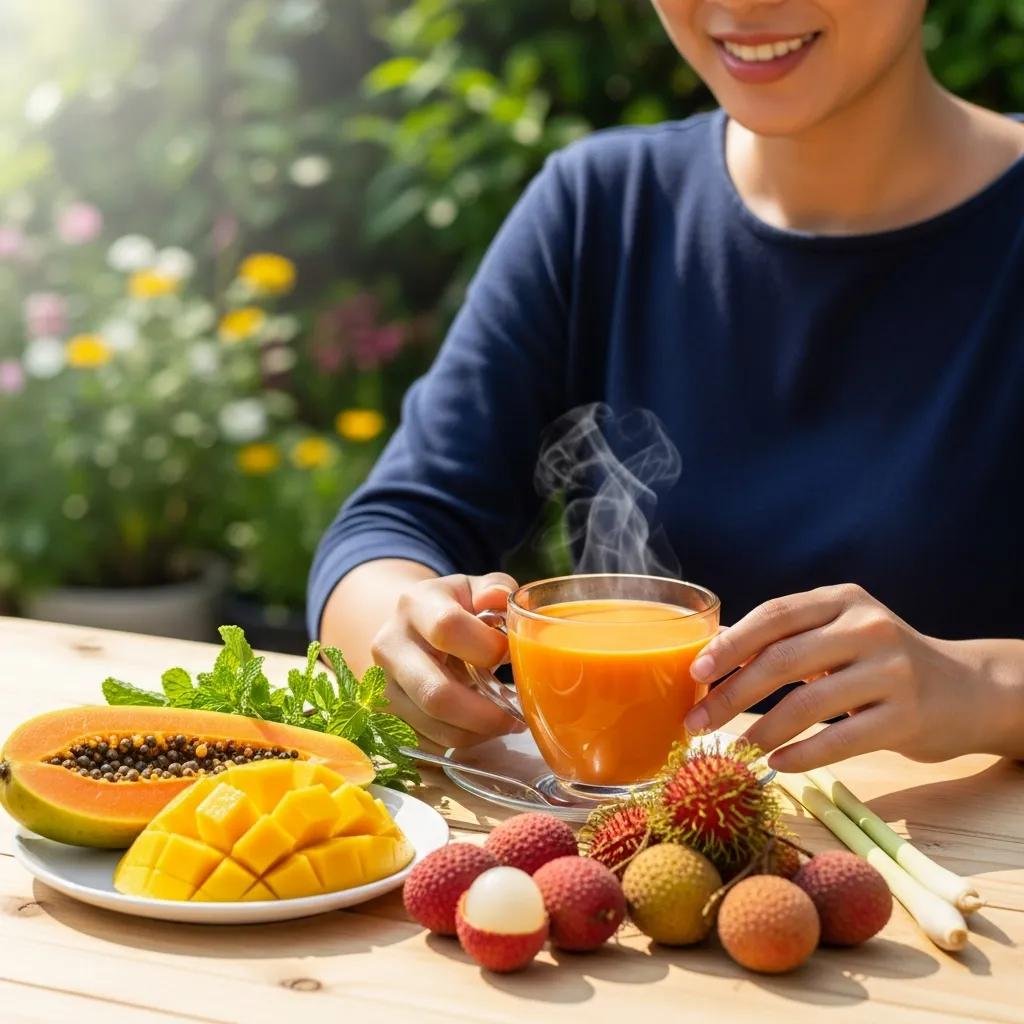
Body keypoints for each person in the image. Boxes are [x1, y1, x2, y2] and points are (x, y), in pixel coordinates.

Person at [310, 0, 1024, 771]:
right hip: (629, 866)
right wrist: (408, 636)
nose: (744, 6)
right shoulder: (600, 206)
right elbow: (389, 530)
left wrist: (981, 687)